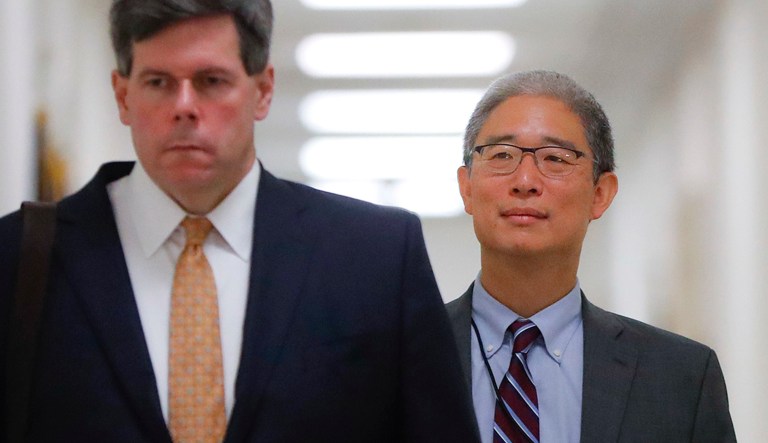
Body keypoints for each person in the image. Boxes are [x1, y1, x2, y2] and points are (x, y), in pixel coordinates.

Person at [0, 1, 479, 442]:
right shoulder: (21, 257)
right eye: (158, 82)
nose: (184, 106)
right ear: (123, 96)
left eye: (211, 81)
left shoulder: (375, 258)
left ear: (263, 90)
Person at [447, 70, 736, 442]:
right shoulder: (394, 360)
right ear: (467, 187)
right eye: (502, 155)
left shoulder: (681, 376)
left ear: (600, 193)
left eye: (555, 159)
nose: (525, 181)